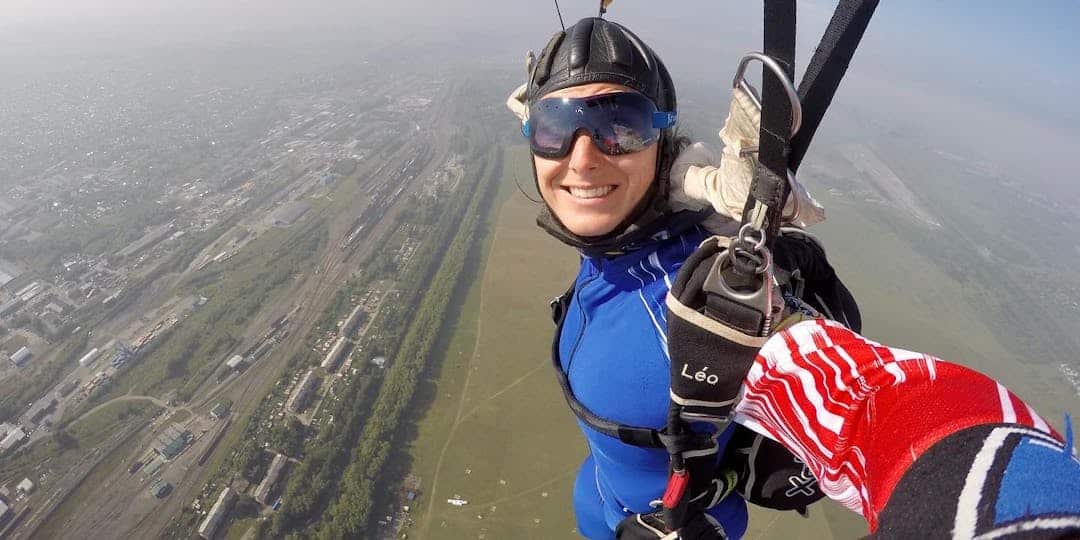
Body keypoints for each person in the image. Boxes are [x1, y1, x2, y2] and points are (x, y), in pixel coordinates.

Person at [510, 16, 829, 539]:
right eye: (557, 127)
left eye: (621, 125)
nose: (583, 158)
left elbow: (872, 401)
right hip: (598, 496)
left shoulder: (701, 296)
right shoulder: (621, 241)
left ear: (662, 144)